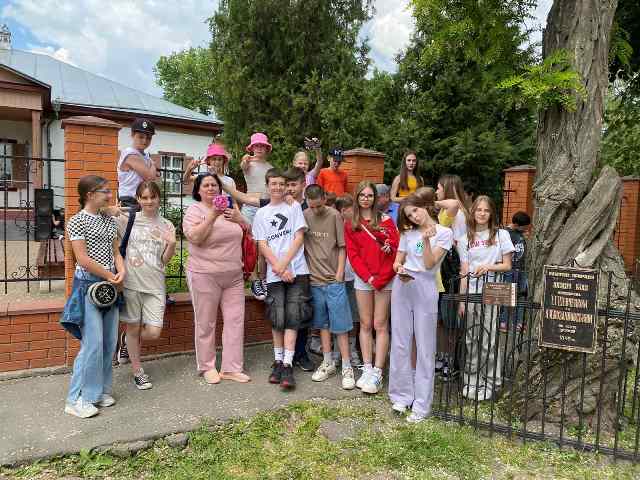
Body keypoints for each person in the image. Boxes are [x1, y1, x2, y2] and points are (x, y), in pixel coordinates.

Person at [63, 175, 125, 418]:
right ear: (90, 195)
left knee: (109, 341)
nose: (109, 195)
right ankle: (76, 399)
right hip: (89, 286)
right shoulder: (76, 221)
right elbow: (82, 258)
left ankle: (98, 392)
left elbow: (116, 252)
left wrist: (122, 271)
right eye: (105, 191)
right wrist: (110, 275)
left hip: (110, 285)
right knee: (92, 344)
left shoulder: (108, 220)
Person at [390, 189, 453, 423]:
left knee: (425, 345)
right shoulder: (407, 234)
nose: (414, 217)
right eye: (409, 215)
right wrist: (398, 268)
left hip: (425, 287)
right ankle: (401, 395)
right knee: (400, 341)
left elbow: (429, 265)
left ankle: (421, 405)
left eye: (415, 210)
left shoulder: (444, 233)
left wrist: (426, 239)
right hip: (403, 285)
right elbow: (397, 260)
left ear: (424, 207)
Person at [183, 173, 250, 384]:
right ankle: (207, 366)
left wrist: (241, 219)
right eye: (206, 185)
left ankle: (231, 368)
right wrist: (212, 215)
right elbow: (195, 237)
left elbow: (249, 231)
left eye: (214, 185)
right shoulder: (194, 210)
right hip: (204, 274)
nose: (211, 188)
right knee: (206, 323)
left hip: (234, 275)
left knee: (235, 322)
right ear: (198, 190)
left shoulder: (231, 208)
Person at [252, 168, 311, 390]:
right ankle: (277, 361)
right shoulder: (261, 213)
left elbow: (299, 237)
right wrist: (278, 268)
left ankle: (288, 364)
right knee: (277, 319)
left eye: (281, 184)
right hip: (275, 273)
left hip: (297, 271)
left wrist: (284, 264)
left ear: (286, 186)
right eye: (273, 183)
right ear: (267, 186)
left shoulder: (293, 207)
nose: (277, 187)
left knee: (293, 318)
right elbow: (262, 244)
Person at [115, 181, 176, 390]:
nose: (149, 201)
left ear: (159, 198)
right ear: (138, 199)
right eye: (144, 197)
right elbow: (98, 212)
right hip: (131, 283)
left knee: (153, 332)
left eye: (153, 197)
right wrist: (114, 209)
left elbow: (164, 260)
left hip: (155, 285)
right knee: (133, 327)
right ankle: (137, 371)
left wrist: (172, 244)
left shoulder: (167, 225)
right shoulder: (128, 220)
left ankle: (127, 340)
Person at [457, 195, 515, 401]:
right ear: (473, 212)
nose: (482, 213)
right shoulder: (464, 239)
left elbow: (507, 265)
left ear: (491, 214)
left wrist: (488, 267)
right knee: (471, 338)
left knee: (489, 339)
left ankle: (491, 382)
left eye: (486, 210)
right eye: (479, 210)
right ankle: (472, 380)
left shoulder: (501, 235)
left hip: (494, 288)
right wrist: (462, 300)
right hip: (472, 292)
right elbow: (464, 271)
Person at [345, 181, 399, 394]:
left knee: (380, 324)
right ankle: (367, 367)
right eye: (362, 195)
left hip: (385, 279)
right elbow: (353, 254)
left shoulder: (386, 221)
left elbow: (395, 250)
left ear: (375, 198)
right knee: (365, 324)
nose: (366, 199)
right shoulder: (351, 223)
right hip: (364, 279)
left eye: (369, 195)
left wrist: (382, 278)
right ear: (357, 197)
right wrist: (368, 277)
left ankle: (378, 371)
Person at [302, 185, 355, 389]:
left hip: (334, 279)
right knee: (322, 324)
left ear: (324, 198)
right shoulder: (304, 215)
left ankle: (347, 366)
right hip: (314, 280)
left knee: (340, 325)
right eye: (311, 206)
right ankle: (327, 362)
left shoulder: (334, 216)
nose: (315, 210)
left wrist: (340, 272)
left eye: (318, 205)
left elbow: (342, 246)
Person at [117, 118, 159, 254]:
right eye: (141, 136)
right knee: (126, 242)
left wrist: (151, 168)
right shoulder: (131, 154)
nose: (144, 141)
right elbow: (150, 177)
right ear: (132, 135)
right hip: (130, 202)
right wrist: (152, 165)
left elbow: (151, 176)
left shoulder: (144, 155)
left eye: (148, 137)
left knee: (139, 243)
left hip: (141, 201)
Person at [335, 195, 362, 367]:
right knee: (337, 315)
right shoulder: (336, 227)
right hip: (337, 277)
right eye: (352, 209)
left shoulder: (358, 227)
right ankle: (338, 351)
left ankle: (352, 350)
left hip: (355, 277)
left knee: (354, 316)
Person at [499, 211, 531, 332]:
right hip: (509, 269)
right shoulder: (505, 233)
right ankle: (503, 321)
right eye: (525, 227)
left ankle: (519, 322)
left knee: (522, 295)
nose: (527, 229)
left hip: (521, 269)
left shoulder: (521, 233)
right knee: (507, 295)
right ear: (517, 225)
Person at [240, 132, 274, 225]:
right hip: (250, 206)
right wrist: (245, 159)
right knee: (248, 233)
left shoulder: (270, 167)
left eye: (262, 146)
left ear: (266, 148)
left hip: (266, 206)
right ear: (252, 148)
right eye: (256, 146)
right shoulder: (248, 163)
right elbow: (243, 165)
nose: (259, 148)